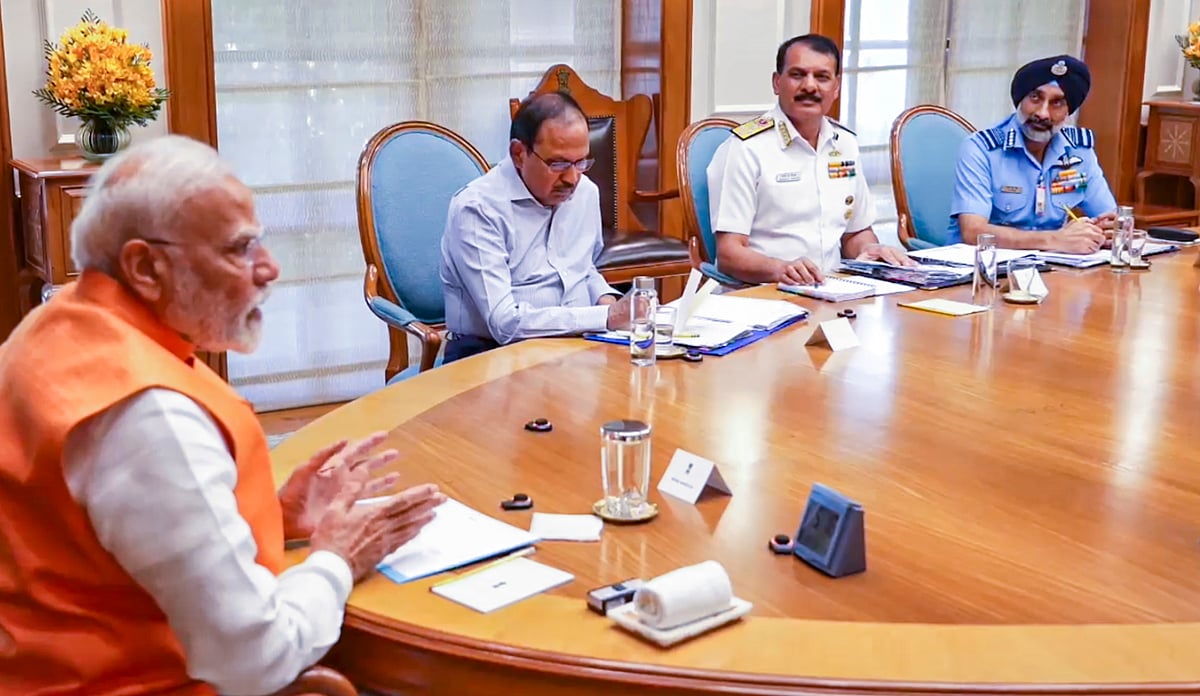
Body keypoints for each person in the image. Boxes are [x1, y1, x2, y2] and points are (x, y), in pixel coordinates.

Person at [0, 135, 446, 696]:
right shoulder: (147, 414)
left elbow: (102, 536)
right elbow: (255, 659)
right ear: (146, 267)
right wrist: (337, 558)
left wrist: (272, 516)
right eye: (240, 249)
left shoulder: (53, 328)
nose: (270, 268)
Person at [707, 34, 914, 287]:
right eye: (797, 75)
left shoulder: (845, 144)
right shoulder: (746, 149)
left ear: (836, 87)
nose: (810, 86)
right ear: (776, 82)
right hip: (766, 294)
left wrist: (873, 250)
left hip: (834, 292)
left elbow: (855, 233)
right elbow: (729, 254)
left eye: (822, 77)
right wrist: (781, 269)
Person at [440, 91, 631, 363]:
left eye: (581, 162)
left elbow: (581, 268)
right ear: (519, 153)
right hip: (492, 355)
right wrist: (604, 318)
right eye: (559, 164)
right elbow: (504, 323)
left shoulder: (585, 193)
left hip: (577, 346)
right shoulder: (477, 209)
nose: (572, 178)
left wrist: (609, 303)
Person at [949, 55, 1118, 251]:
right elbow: (973, 232)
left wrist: (1103, 232)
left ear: (1068, 112)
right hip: (982, 269)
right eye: (1035, 98)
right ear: (1020, 100)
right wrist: (1054, 240)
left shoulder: (1078, 151)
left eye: (1057, 103)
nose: (1042, 113)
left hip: (1051, 268)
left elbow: (1109, 219)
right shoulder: (981, 149)